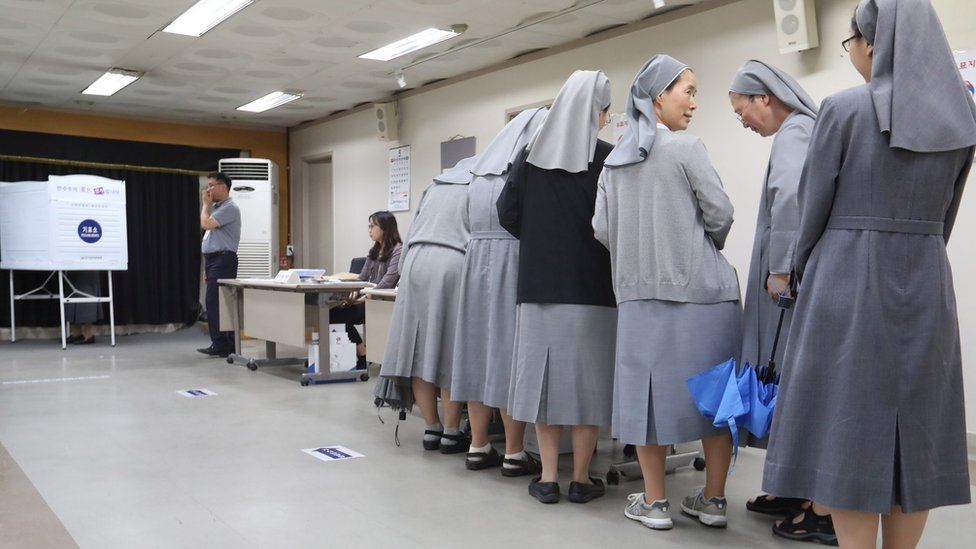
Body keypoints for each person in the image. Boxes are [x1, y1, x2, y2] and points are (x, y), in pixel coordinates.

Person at [762, 1, 975, 548]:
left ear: (874, 43)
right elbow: (946, 215)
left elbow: (812, 211)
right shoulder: (961, 120)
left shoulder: (843, 109)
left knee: (848, 428)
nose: (851, 50)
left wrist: (800, 267)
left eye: (850, 40)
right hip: (927, 278)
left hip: (846, 278)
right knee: (917, 433)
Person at [593, 55, 740, 530]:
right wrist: (696, 246)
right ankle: (713, 501)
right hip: (706, 297)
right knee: (715, 401)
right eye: (688, 91)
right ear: (658, 96)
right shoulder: (687, 148)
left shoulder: (614, 163)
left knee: (646, 401)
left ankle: (655, 503)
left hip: (639, 299)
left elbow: (601, 229)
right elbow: (720, 214)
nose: (694, 103)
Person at [496, 70, 616, 505]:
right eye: (604, 111)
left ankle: (547, 477)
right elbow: (614, 223)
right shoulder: (608, 158)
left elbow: (506, 212)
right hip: (593, 289)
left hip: (539, 288)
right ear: (595, 112)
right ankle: (582, 479)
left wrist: (541, 239)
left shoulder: (530, 156)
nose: (605, 119)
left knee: (544, 387)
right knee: (588, 389)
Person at [728, 60, 835, 542]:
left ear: (764, 98)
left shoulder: (795, 132)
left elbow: (790, 195)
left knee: (793, 381)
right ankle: (792, 485)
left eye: (742, 112)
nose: (744, 122)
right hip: (798, 274)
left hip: (788, 282)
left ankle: (813, 497)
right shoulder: (804, 129)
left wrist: (778, 269)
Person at [450, 107, 548, 476]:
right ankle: (514, 451)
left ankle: (477, 444)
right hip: (513, 258)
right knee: (509, 354)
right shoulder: (524, 171)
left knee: (475, 350)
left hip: (475, 261)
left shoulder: (476, 175)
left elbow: (463, 222)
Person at [378, 156, 476, 454]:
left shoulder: (434, 185)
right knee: (447, 350)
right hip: (452, 262)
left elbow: (409, 237)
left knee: (418, 351)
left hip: (416, 263)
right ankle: (451, 431)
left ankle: (431, 428)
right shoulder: (478, 185)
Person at [329, 211, 402, 368]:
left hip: (383, 300)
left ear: (385, 228)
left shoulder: (398, 250)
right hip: (368, 297)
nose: (369, 230)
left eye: (372, 226)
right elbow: (362, 278)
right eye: (369, 226)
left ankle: (362, 353)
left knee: (338, 316)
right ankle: (362, 351)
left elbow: (388, 281)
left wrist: (363, 297)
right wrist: (354, 294)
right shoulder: (374, 251)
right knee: (332, 314)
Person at [196, 172, 241, 358]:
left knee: (217, 302)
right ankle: (223, 343)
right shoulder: (218, 207)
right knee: (215, 301)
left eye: (211, 185)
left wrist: (205, 205)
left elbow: (205, 224)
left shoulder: (229, 207)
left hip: (223, 260)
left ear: (223, 187)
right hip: (214, 260)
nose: (208, 189)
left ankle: (222, 344)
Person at [65, 271, 101, 345]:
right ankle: (77, 333)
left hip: (89, 263)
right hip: (72, 265)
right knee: (72, 291)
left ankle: (88, 334)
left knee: (87, 293)